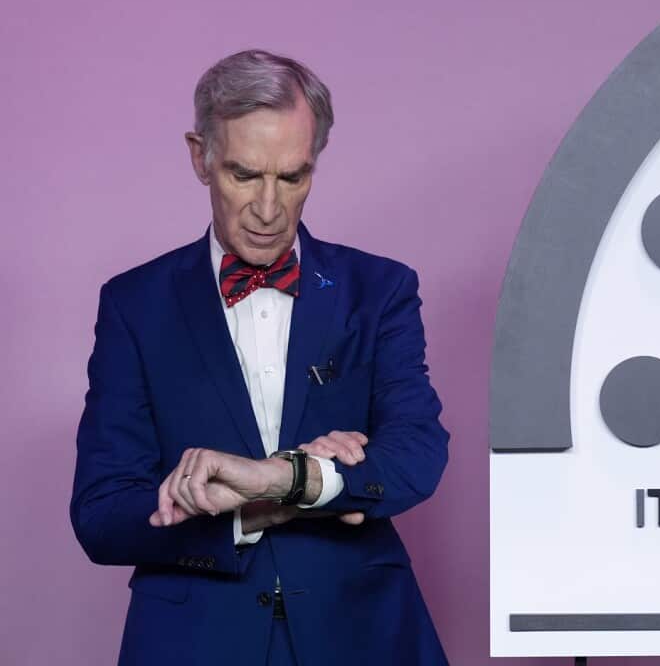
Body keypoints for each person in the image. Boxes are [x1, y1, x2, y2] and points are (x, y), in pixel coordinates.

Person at [70, 49, 450, 665]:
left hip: (365, 633)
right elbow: (101, 514)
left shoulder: (380, 290)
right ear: (201, 157)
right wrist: (249, 510)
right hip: (194, 643)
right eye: (244, 175)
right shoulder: (133, 305)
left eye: (292, 177)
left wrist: (284, 477)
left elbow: (418, 455)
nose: (269, 210)